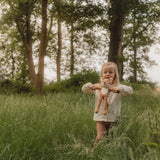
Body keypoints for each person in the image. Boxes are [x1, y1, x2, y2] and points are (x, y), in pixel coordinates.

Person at [82, 62, 133, 148]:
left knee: (111, 139)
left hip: (113, 118)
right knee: (100, 137)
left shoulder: (118, 86)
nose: (107, 74)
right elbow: (84, 89)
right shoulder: (98, 87)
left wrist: (119, 89)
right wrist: (90, 86)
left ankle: (109, 153)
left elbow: (129, 91)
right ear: (102, 75)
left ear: (115, 74)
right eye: (105, 72)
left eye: (110, 72)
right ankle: (93, 153)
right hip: (100, 117)